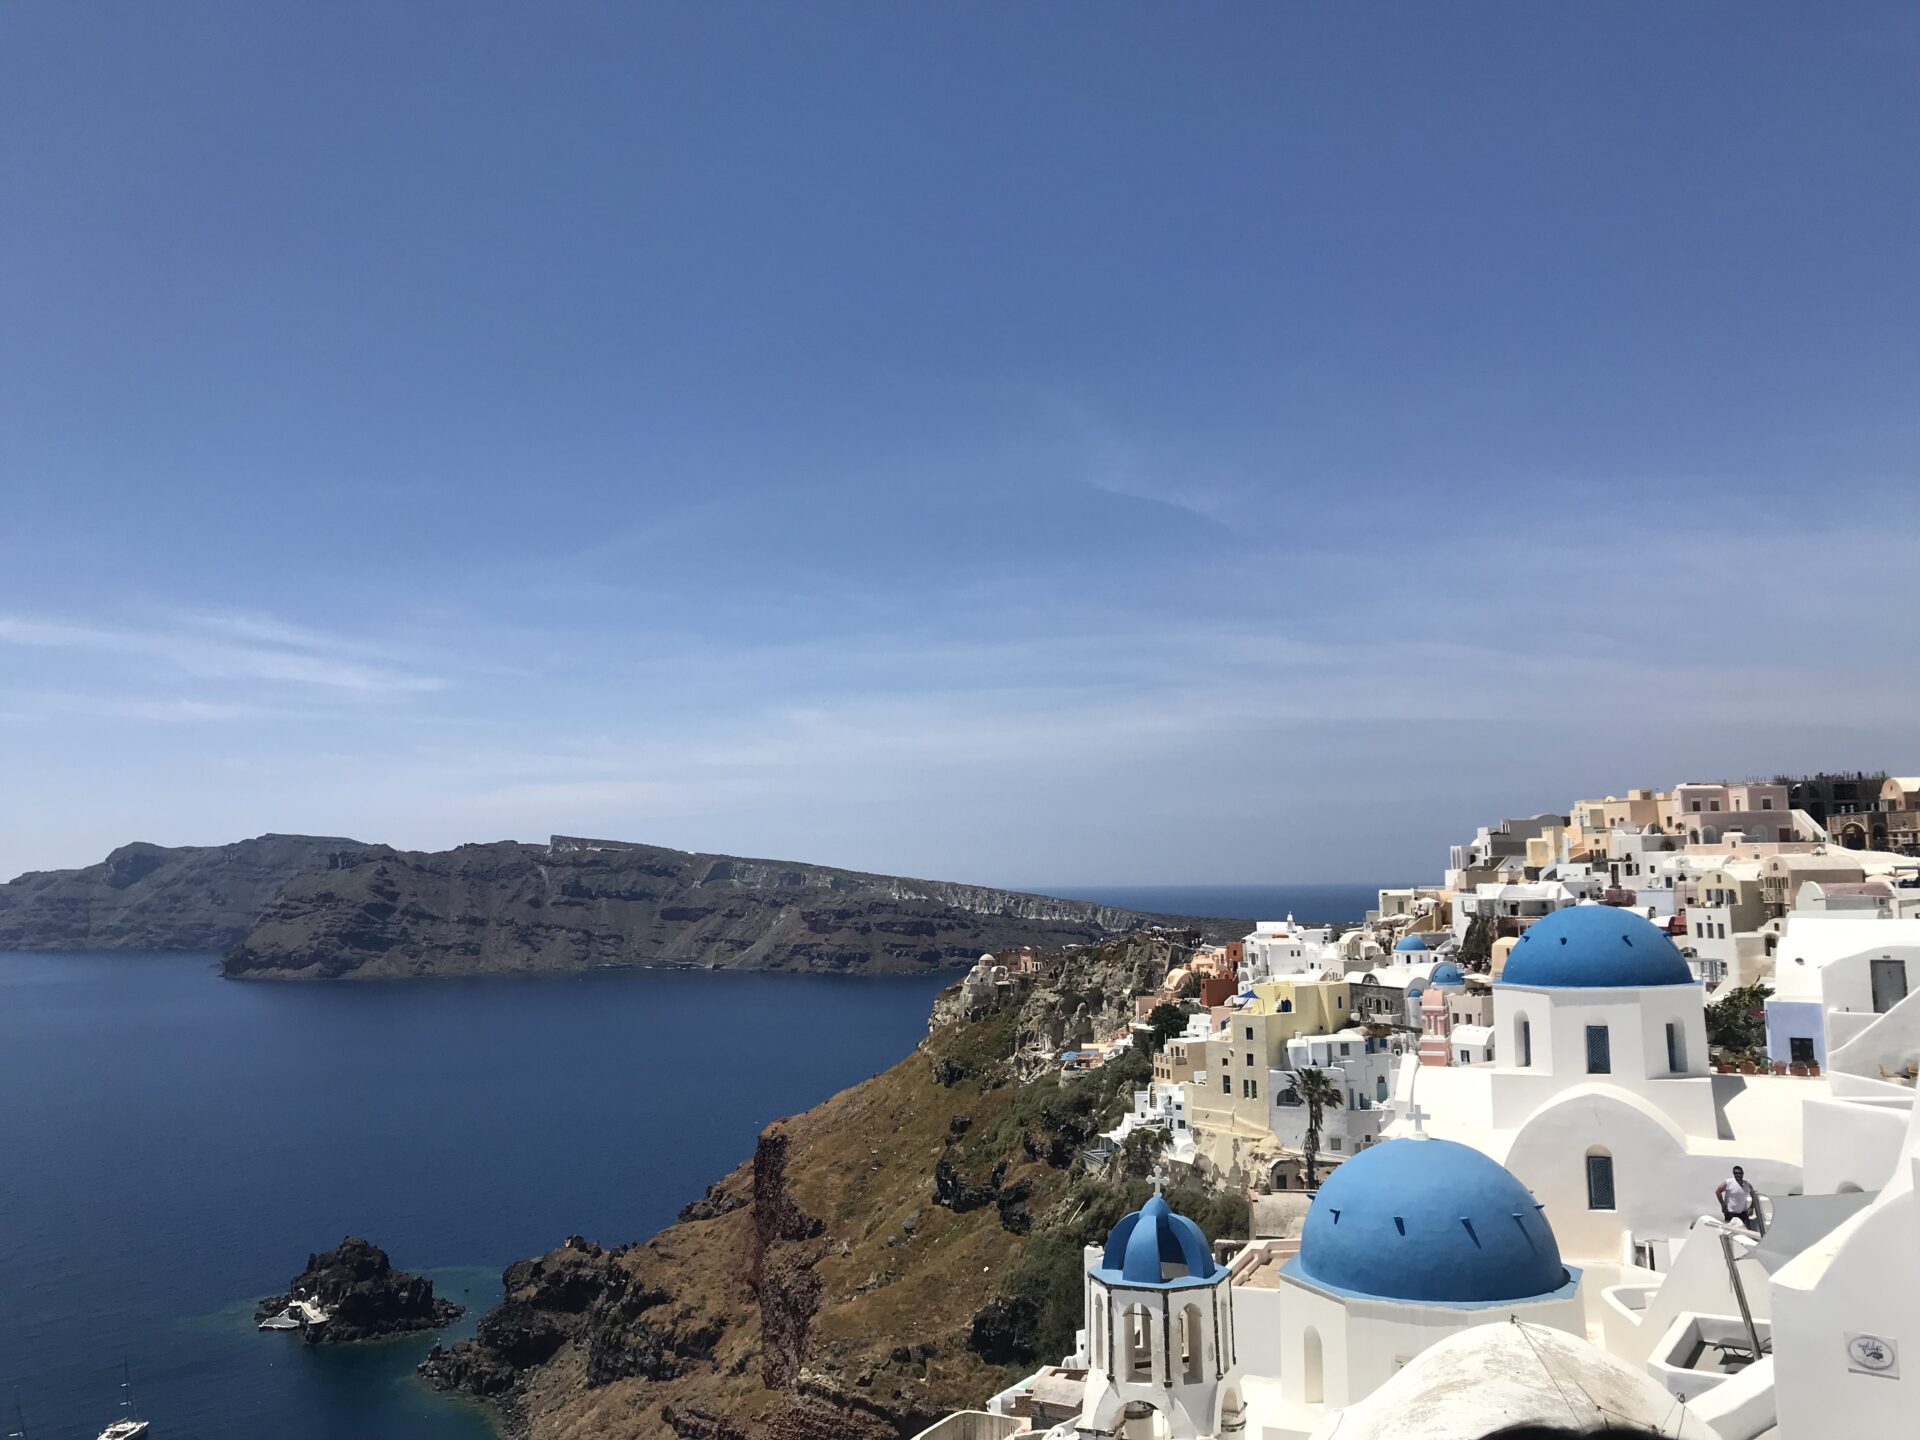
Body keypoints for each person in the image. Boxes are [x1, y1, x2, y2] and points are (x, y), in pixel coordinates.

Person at [1717, 1165, 1760, 1232]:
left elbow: (1754, 1196)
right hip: (1730, 1213)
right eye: (1736, 1173)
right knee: (1731, 1232)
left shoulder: (1747, 1185)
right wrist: (1722, 1204)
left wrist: (1751, 1207)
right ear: (1733, 1174)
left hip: (1743, 1213)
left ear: (1743, 1173)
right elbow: (1718, 1191)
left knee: (1747, 1231)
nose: (1738, 1175)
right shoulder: (1728, 1182)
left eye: (1740, 1173)